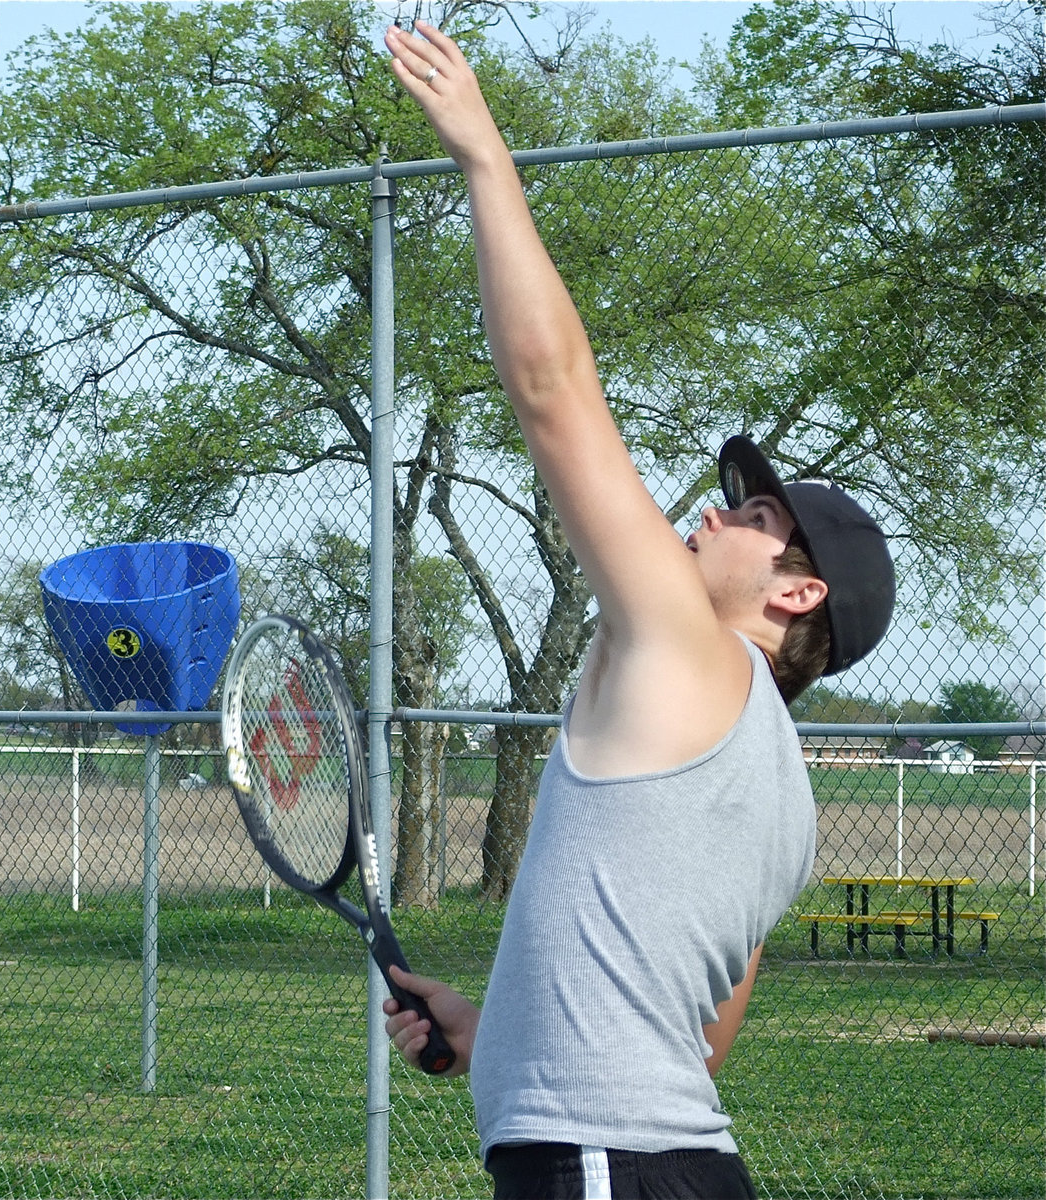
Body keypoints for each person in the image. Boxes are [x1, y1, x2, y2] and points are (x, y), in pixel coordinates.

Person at [382, 21, 895, 1200]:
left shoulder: (686, 652)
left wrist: (483, 159)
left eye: (751, 514)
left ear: (795, 590)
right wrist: (486, 1026)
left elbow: (553, 394)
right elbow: (694, 1042)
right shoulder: (783, 802)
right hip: (657, 1162)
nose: (715, 515)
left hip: (607, 1169)